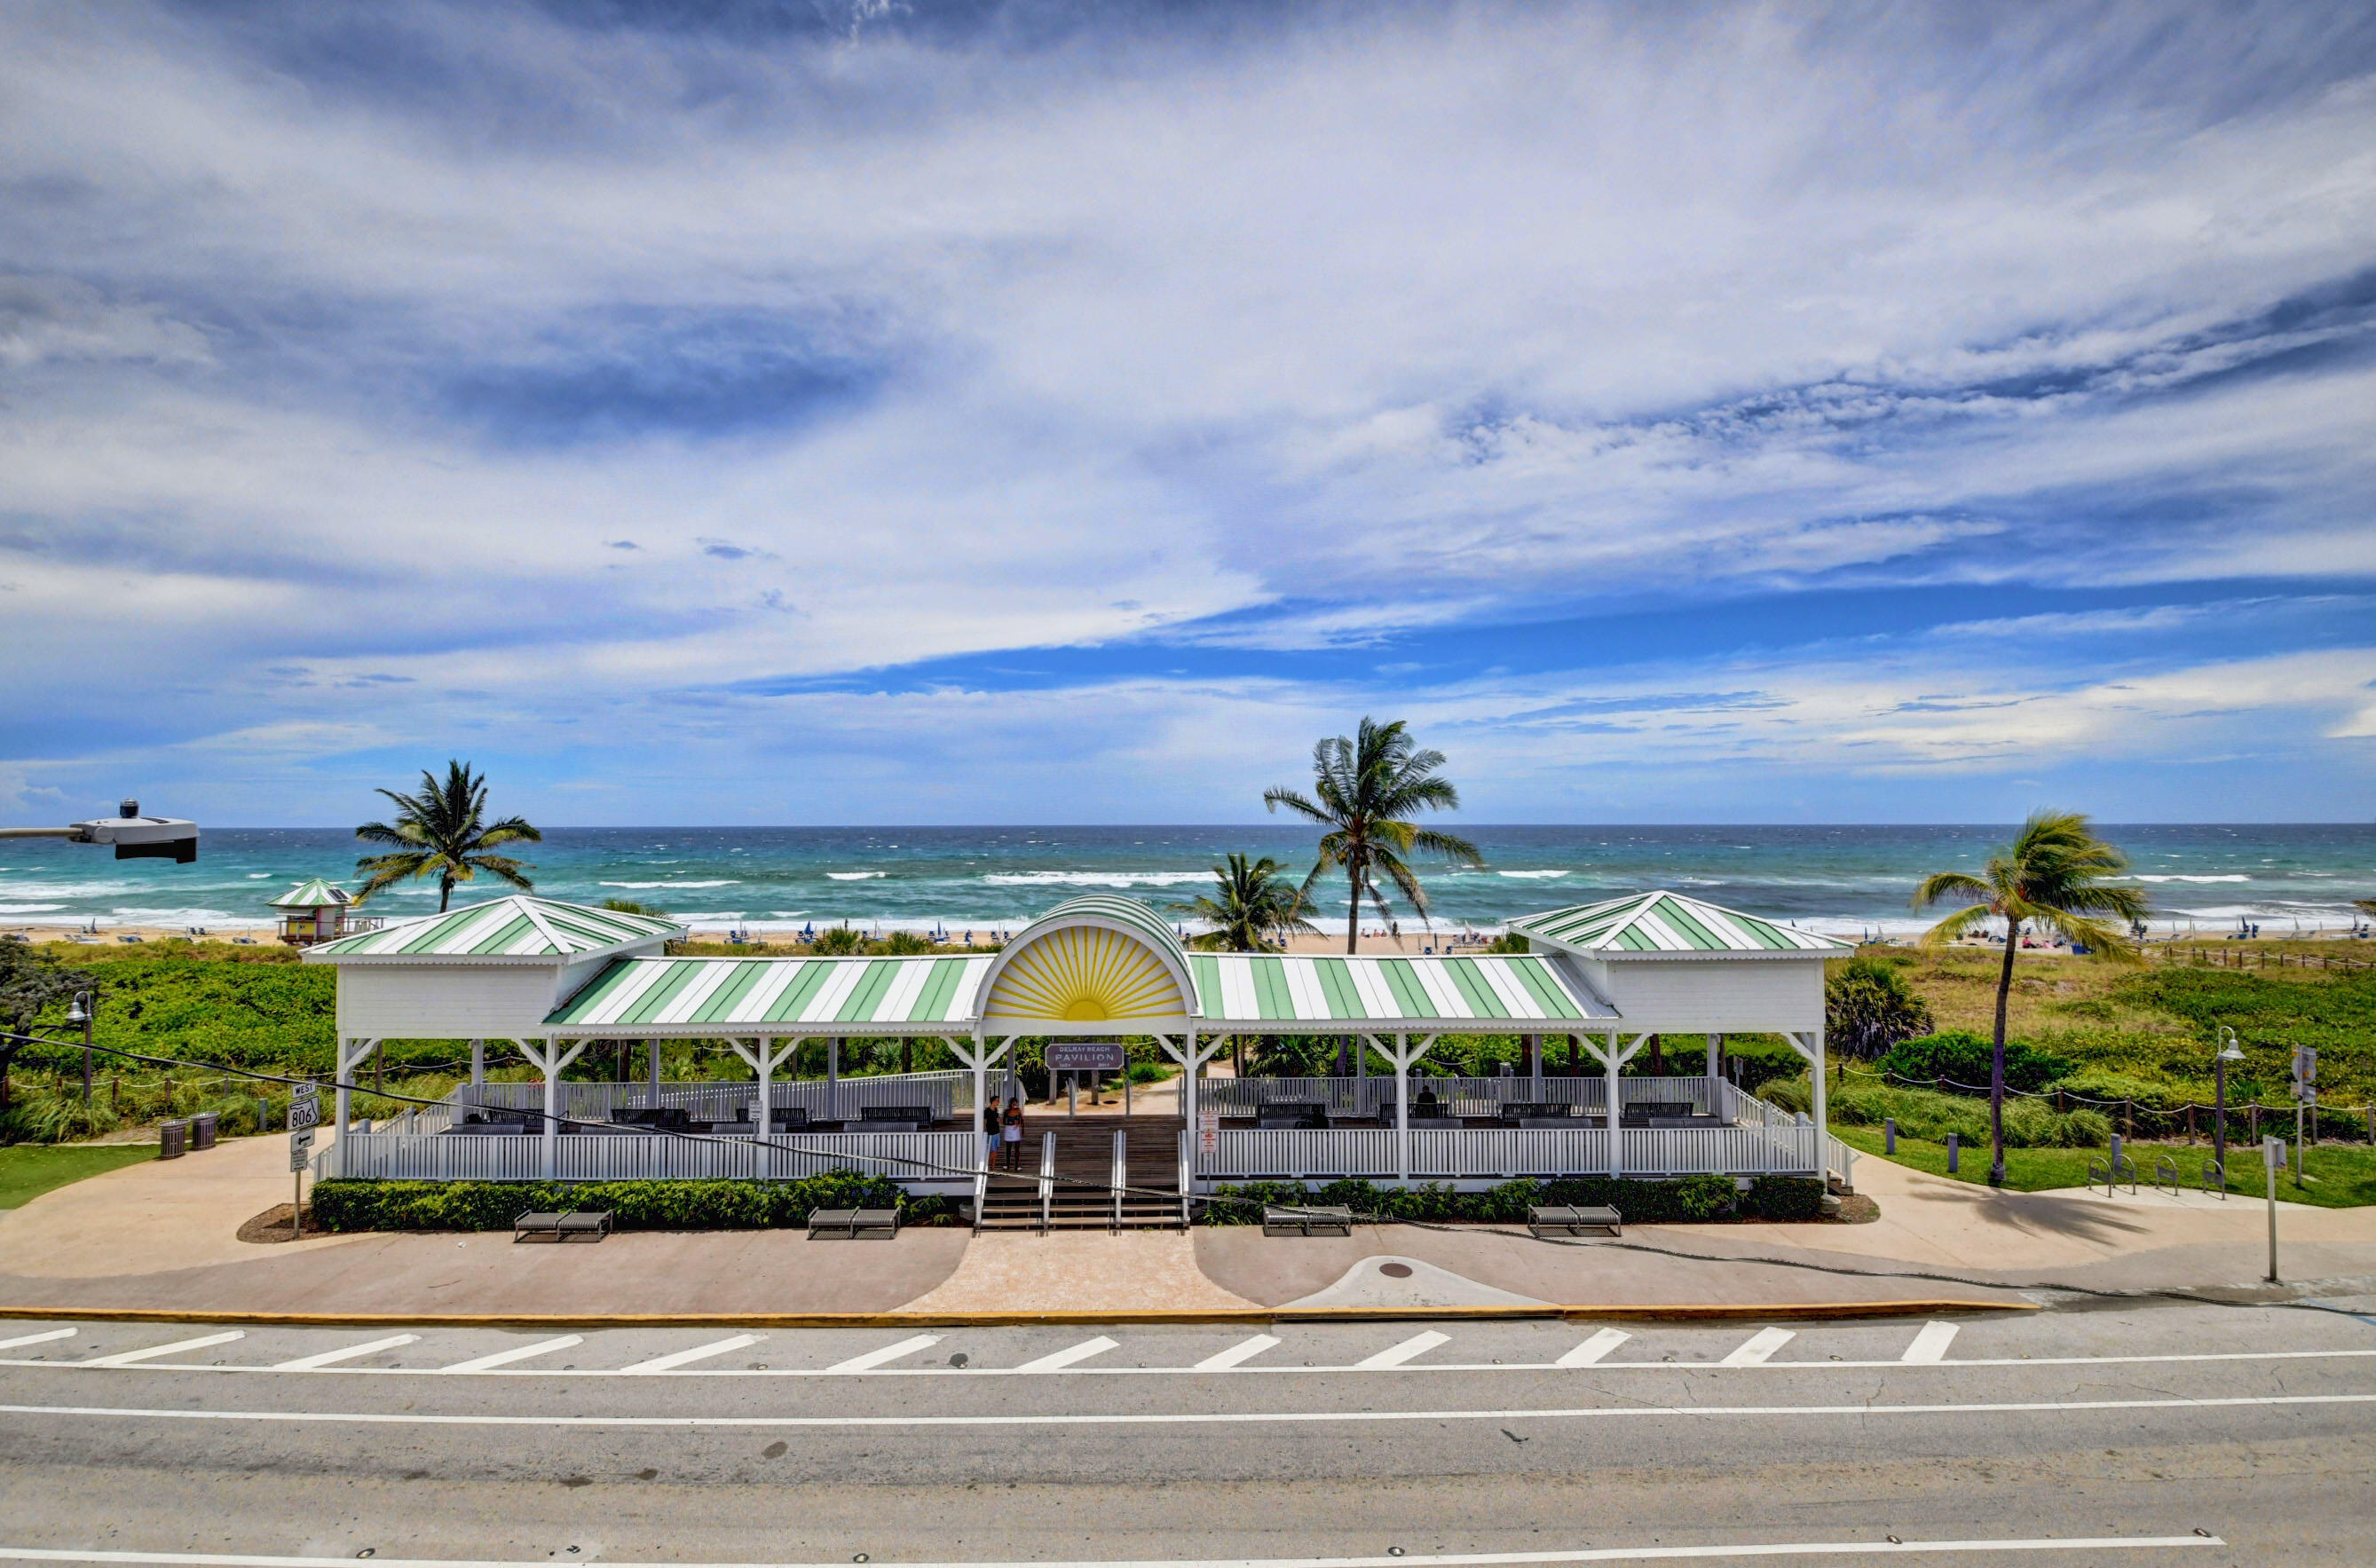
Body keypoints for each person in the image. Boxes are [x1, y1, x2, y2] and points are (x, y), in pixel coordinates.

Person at [1002, 1095, 1024, 1170]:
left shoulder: (1018, 1111)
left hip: (1016, 1131)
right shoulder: (1007, 1111)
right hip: (1009, 1130)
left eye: (1016, 1104)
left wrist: (1023, 1130)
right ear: (1010, 1104)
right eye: (1013, 1104)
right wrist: (1011, 1122)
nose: (1014, 1105)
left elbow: (1022, 1121)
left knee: (1017, 1149)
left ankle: (1017, 1166)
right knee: (1008, 1149)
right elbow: (1004, 1122)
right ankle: (1007, 1165)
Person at [982, 1096, 1002, 1169]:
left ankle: (993, 1167)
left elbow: (998, 1120)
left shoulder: (996, 1110)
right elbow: (985, 1123)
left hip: (997, 1132)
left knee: (996, 1151)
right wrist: (986, 1133)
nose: (998, 1102)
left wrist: (999, 1120)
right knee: (993, 1151)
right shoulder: (987, 1111)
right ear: (993, 1101)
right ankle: (986, 1164)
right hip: (991, 1134)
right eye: (997, 1101)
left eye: (999, 1101)